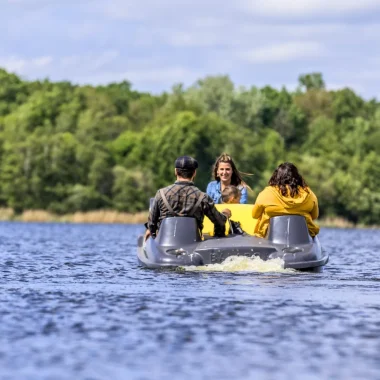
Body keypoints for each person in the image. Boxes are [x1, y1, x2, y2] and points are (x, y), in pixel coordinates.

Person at [146, 155, 231, 240]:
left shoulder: (161, 194)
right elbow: (220, 222)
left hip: (165, 242)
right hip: (193, 243)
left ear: (176, 171)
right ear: (194, 173)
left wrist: (153, 237)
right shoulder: (203, 197)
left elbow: (151, 224)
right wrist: (225, 214)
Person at [252, 162, 320, 238]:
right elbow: (314, 216)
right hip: (302, 238)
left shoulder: (266, 193)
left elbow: (255, 215)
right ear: (297, 177)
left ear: (276, 176)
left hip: (269, 237)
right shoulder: (309, 194)